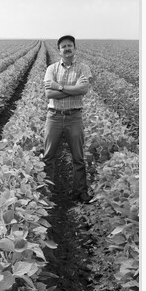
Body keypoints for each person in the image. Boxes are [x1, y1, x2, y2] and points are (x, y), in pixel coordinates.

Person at [43, 35, 93, 203]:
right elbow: (49, 93)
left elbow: (83, 90)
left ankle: (80, 192)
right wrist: (74, 89)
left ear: (74, 48)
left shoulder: (83, 68)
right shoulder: (51, 69)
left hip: (74, 117)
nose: (67, 48)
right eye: (63, 46)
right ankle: (47, 192)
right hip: (54, 116)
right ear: (59, 50)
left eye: (69, 45)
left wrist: (60, 87)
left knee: (78, 157)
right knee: (48, 156)